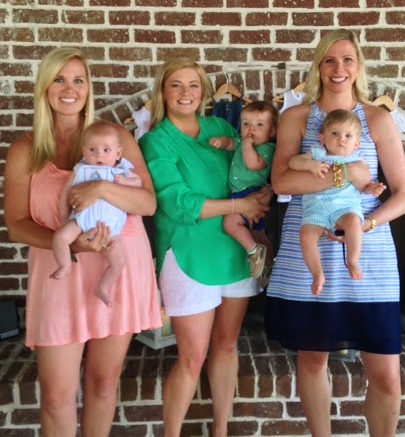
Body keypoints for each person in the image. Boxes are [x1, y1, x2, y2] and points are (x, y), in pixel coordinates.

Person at [3, 47, 161, 437]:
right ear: (45, 87)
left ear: (89, 87)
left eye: (79, 80)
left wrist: (101, 189)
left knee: (104, 383)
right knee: (57, 396)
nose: (70, 89)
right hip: (59, 273)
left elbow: (147, 203)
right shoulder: (25, 150)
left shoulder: (114, 137)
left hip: (116, 269)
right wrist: (72, 246)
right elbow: (17, 225)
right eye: (59, 79)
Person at [265, 29, 405, 437]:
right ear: (318, 66)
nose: (339, 68)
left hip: (368, 252)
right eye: (329, 60)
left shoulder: (378, 119)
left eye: (347, 59)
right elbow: (281, 182)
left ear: (359, 67)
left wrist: (365, 224)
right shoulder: (296, 117)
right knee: (313, 359)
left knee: (385, 372)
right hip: (311, 248)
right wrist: (345, 174)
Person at [139, 57, 272, 437]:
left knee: (227, 344)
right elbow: (179, 204)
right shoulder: (155, 141)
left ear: (204, 92)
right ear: (163, 92)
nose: (186, 93)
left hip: (235, 249)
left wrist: (263, 193)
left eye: (193, 85)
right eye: (176, 85)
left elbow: (249, 174)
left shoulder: (221, 128)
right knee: (191, 358)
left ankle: (221, 430)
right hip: (188, 253)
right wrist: (239, 207)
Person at [289, 109, 386, 294]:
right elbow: (293, 162)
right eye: (335, 134)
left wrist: (371, 188)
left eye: (348, 136)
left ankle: (352, 261)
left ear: (357, 144)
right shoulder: (316, 153)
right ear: (322, 138)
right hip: (316, 209)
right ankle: (317, 274)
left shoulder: (357, 159)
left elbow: (363, 185)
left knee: (354, 222)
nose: (341, 139)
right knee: (306, 235)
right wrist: (309, 164)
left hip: (344, 207)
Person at [50, 120, 142, 307]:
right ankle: (65, 265)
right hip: (81, 222)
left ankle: (103, 287)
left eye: (106, 150)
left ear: (118, 153)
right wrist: (64, 219)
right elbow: (65, 194)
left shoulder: (122, 170)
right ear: (84, 151)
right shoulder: (81, 169)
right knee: (60, 237)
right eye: (92, 150)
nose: (99, 155)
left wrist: (125, 182)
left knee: (119, 262)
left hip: (111, 229)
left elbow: (139, 184)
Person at [209, 100, 278, 278]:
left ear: (272, 132)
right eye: (246, 124)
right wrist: (221, 142)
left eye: (259, 125)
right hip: (241, 193)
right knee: (257, 233)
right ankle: (268, 264)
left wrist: (246, 145)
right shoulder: (241, 142)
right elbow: (230, 143)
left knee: (230, 222)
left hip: (252, 192)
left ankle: (254, 251)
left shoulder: (267, 148)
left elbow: (253, 164)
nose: (251, 129)